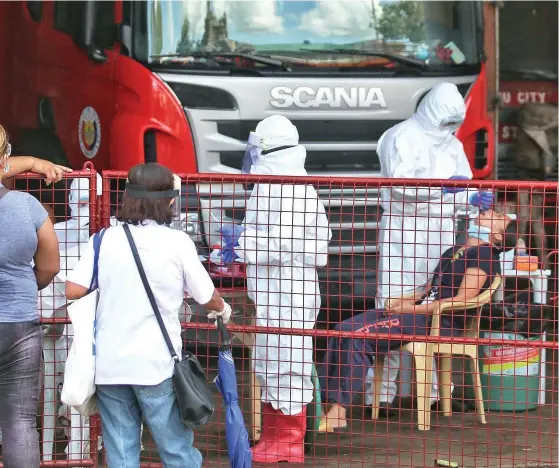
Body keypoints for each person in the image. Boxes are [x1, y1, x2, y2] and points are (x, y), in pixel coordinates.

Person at [65, 163, 231, 468]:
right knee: (177, 452)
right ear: (169, 200)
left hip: (110, 366)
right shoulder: (177, 242)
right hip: (156, 365)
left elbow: (73, 290)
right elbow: (207, 297)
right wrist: (223, 310)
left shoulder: (103, 240)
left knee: (121, 454)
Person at [318, 209, 516, 430]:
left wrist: (411, 309)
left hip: (440, 323)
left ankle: (338, 411)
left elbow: (460, 300)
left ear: (497, 236)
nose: (494, 211)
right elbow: (430, 293)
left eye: (499, 217)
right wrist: (404, 302)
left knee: (358, 335)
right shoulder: (454, 251)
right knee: (341, 328)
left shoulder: (485, 255)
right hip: (419, 315)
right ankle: (319, 402)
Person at [365, 83, 494, 413]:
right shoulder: (401, 137)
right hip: (403, 230)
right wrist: (443, 189)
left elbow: (463, 185)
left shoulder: (451, 143)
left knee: (438, 305)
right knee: (391, 306)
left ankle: (438, 394)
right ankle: (377, 395)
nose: (448, 129)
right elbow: (401, 186)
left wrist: (470, 198)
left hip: (441, 233)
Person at [220, 115, 332, 464]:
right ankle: (273, 436)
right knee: (270, 360)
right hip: (273, 292)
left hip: (290, 292)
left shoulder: (289, 185)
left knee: (289, 361)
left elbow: (288, 242)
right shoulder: (274, 182)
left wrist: (243, 242)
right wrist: (240, 246)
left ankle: (289, 442)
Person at [0, 121, 64, 466]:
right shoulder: (28, 207)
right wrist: (21, 285)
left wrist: (29, 161)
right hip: (16, 326)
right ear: (4, 160)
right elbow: (49, 267)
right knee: (18, 423)